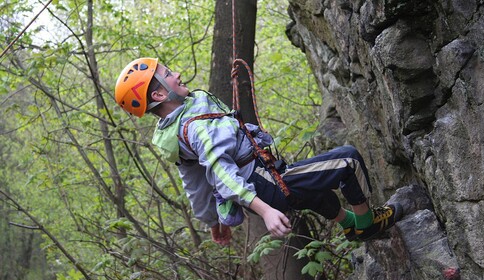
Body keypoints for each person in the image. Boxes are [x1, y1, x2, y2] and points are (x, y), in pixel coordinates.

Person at [114, 57, 402, 245]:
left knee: (314, 192)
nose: (176, 73)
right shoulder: (195, 129)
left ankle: (349, 224)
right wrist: (265, 212)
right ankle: (367, 225)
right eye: (168, 74)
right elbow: (219, 175)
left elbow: (194, 184)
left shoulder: (178, 128)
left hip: (264, 176)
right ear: (159, 94)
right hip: (262, 184)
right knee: (347, 160)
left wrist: (212, 221)